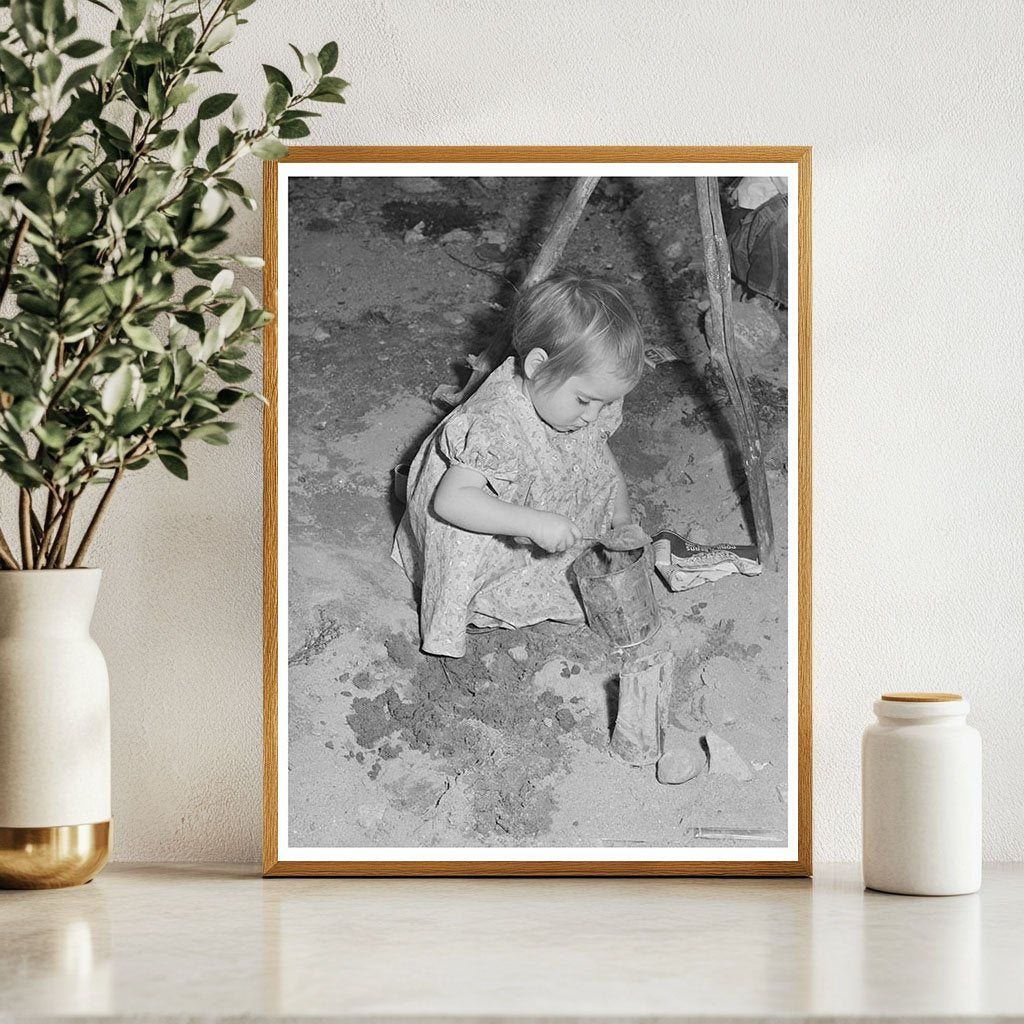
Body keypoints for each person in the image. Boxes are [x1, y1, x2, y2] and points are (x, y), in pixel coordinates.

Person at [392, 272, 645, 657]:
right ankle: (476, 601)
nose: (594, 416)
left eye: (605, 403)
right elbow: (450, 502)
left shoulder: (573, 406)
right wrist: (533, 523)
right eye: (584, 401)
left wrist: (621, 521)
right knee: (467, 538)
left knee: (582, 469)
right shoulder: (494, 422)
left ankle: (544, 563)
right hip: (471, 514)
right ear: (538, 367)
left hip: (532, 493)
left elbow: (600, 458)